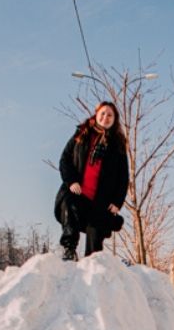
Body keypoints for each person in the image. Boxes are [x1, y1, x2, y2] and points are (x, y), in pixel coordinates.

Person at [55, 101, 130, 261]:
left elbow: (123, 176)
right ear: (96, 114)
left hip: (100, 201)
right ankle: (69, 249)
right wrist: (71, 181)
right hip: (78, 193)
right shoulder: (82, 133)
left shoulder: (118, 144)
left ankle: (92, 266)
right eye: (103, 113)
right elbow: (64, 159)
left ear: (114, 119)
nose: (106, 117)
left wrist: (117, 201)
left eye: (110, 115)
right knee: (69, 204)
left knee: (95, 238)